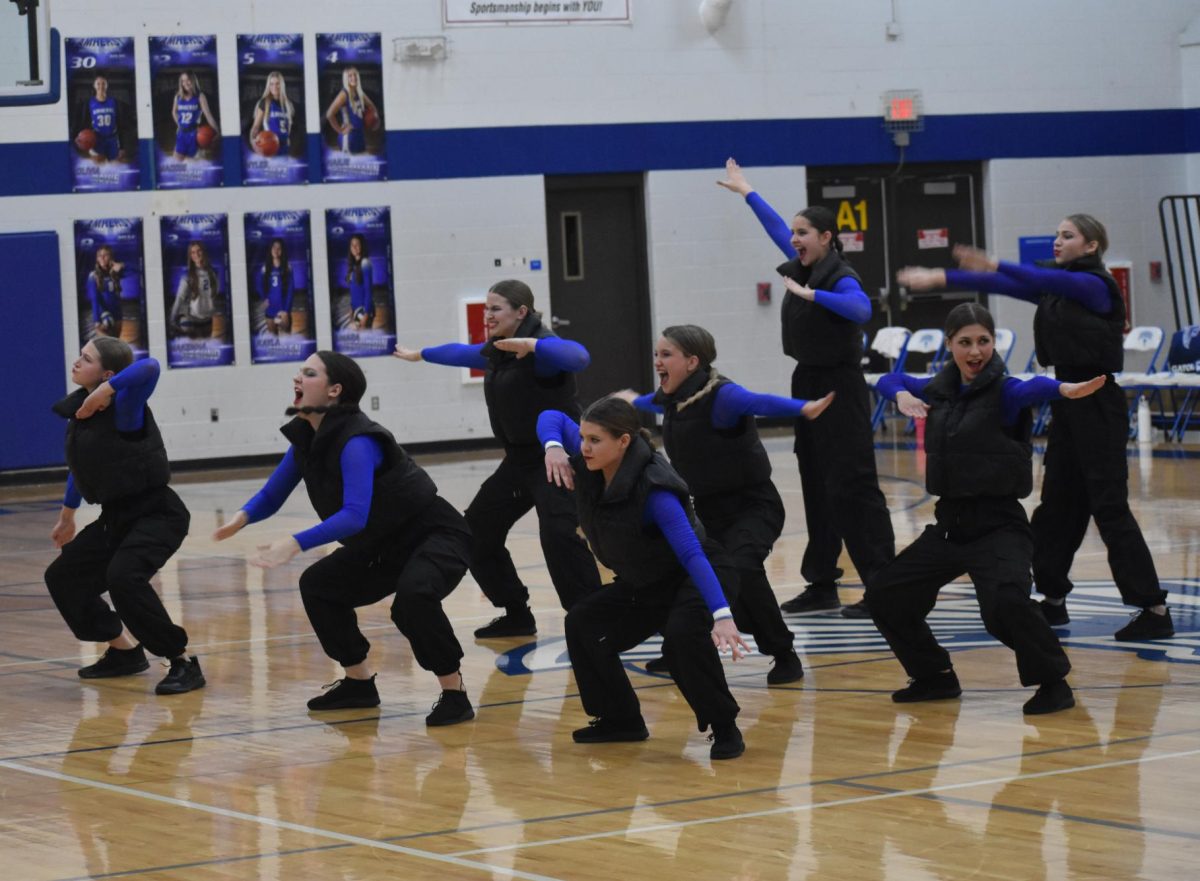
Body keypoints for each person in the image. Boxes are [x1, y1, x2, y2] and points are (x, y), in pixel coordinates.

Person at [897, 214, 1172, 641]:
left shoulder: (1095, 285)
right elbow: (1002, 285)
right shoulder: (1056, 290)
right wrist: (938, 277)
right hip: (1067, 400)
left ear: (1092, 246)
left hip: (1097, 399)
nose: (1058, 241)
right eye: (1057, 235)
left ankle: (1153, 608)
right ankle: (1053, 598)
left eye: (1067, 236)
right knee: (1058, 504)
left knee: (1109, 507)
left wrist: (993, 260)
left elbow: (1027, 276)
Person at [212, 351, 476, 724]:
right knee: (319, 586)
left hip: (432, 533)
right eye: (299, 372)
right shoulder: (308, 436)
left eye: (308, 373)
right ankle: (358, 683)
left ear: (335, 390)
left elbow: (354, 515)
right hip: (380, 544)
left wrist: (294, 543)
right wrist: (241, 518)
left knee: (413, 599)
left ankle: (454, 692)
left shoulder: (358, 440)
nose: (297, 379)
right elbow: (274, 493)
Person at [868, 303, 1106, 715]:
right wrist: (902, 394)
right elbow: (889, 378)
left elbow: (1033, 387)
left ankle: (1054, 683)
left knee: (1005, 605)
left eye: (983, 341)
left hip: (999, 526)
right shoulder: (939, 388)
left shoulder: (1005, 391)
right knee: (886, 594)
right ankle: (933, 675)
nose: (975, 351)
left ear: (993, 343)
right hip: (949, 526)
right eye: (965, 342)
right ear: (950, 345)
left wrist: (1064, 390)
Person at [718, 158, 895, 619]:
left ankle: (883, 586)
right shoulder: (804, 264)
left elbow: (860, 311)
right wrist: (747, 190)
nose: (794, 239)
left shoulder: (840, 276)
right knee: (816, 484)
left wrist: (813, 297)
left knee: (853, 488)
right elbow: (775, 227)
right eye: (794, 233)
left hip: (841, 387)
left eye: (803, 233)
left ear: (826, 239)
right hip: (808, 384)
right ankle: (822, 583)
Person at [537, 395, 750, 759]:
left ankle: (724, 726)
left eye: (594, 440)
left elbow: (691, 554)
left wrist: (722, 614)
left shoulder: (655, 490)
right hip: (645, 580)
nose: (584, 447)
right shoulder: (595, 455)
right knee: (584, 622)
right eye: (582, 438)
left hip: (694, 576)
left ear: (623, 442)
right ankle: (621, 719)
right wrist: (554, 446)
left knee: (682, 639)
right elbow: (551, 413)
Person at [623, 325, 834, 684]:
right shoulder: (673, 396)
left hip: (752, 506)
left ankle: (783, 653)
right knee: (676, 571)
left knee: (742, 569)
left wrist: (804, 408)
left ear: (692, 362)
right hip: (704, 510)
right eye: (656, 354)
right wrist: (628, 401)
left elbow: (758, 401)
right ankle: (680, 649)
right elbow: (648, 402)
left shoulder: (722, 396)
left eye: (666, 355)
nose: (658, 361)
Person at [394, 280, 601, 636]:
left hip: (556, 459)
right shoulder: (499, 349)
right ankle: (516, 612)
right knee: (476, 530)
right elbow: (463, 352)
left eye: (495, 309)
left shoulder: (544, 350)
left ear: (521, 312)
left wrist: (534, 345)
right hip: (519, 462)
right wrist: (421, 354)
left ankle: (593, 619)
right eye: (486, 308)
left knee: (558, 536)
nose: (487, 315)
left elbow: (579, 357)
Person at [45, 338, 204, 695]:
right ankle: (124, 652)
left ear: (108, 374)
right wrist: (67, 516)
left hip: (157, 513)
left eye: (86, 359)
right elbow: (80, 468)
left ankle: (182, 661)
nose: (76, 361)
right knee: (64, 577)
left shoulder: (126, 405)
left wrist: (108, 390)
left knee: (124, 579)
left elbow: (151, 367)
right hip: (115, 517)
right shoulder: (82, 414)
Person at [170, 241, 218, 339]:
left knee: (206, 351)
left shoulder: (213, 272)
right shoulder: (187, 275)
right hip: (192, 321)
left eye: (199, 251)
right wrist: (172, 319)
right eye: (193, 252)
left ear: (203, 252)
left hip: (208, 321)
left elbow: (213, 295)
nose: (196, 254)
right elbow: (179, 299)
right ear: (190, 256)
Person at [325, 67, 377, 155]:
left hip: (360, 135)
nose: (353, 77)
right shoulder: (344, 94)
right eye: (350, 76)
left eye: (355, 75)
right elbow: (329, 114)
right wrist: (340, 130)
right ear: (346, 79)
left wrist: (375, 120)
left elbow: (372, 106)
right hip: (349, 137)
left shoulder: (359, 93)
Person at [171, 70, 219, 161]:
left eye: (187, 80)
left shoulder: (200, 96)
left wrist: (217, 131)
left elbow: (208, 115)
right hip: (181, 134)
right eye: (182, 81)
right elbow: (174, 112)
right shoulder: (178, 97)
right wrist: (179, 124)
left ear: (193, 80)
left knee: (194, 165)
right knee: (176, 165)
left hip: (195, 134)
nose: (185, 83)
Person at [79, 75, 124, 162]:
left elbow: (120, 123)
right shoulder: (89, 103)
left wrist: (122, 146)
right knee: (99, 167)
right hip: (97, 139)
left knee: (114, 168)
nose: (101, 86)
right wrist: (86, 140)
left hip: (112, 138)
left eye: (103, 83)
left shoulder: (114, 102)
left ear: (107, 86)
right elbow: (84, 123)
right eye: (98, 83)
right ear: (94, 86)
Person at [249, 71, 294, 156]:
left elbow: (289, 129)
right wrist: (253, 143)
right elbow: (255, 127)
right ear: (268, 86)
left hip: (285, 148)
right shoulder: (265, 102)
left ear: (282, 85)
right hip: (270, 146)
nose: (275, 87)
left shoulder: (288, 104)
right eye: (271, 84)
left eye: (277, 83)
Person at [256, 238, 293, 335]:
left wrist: (286, 310)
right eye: (274, 247)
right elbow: (259, 286)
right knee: (273, 342)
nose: (276, 250)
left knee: (285, 342)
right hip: (270, 310)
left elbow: (290, 290)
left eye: (279, 248)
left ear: (282, 251)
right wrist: (264, 299)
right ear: (270, 250)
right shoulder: (265, 268)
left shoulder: (287, 267)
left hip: (283, 310)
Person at [86, 245, 123, 338]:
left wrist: (122, 265)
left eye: (105, 255)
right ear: (97, 259)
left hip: (117, 314)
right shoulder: (93, 276)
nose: (102, 258)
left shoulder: (115, 272)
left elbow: (136, 269)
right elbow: (95, 300)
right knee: (105, 348)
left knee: (116, 345)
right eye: (99, 256)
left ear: (111, 257)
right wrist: (97, 320)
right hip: (103, 315)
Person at [343, 235, 373, 329]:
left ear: (362, 246)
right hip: (356, 311)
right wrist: (352, 308)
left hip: (364, 311)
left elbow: (368, 291)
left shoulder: (365, 263)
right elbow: (354, 291)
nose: (354, 247)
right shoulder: (353, 266)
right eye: (352, 245)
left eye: (357, 244)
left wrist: (366, 314)